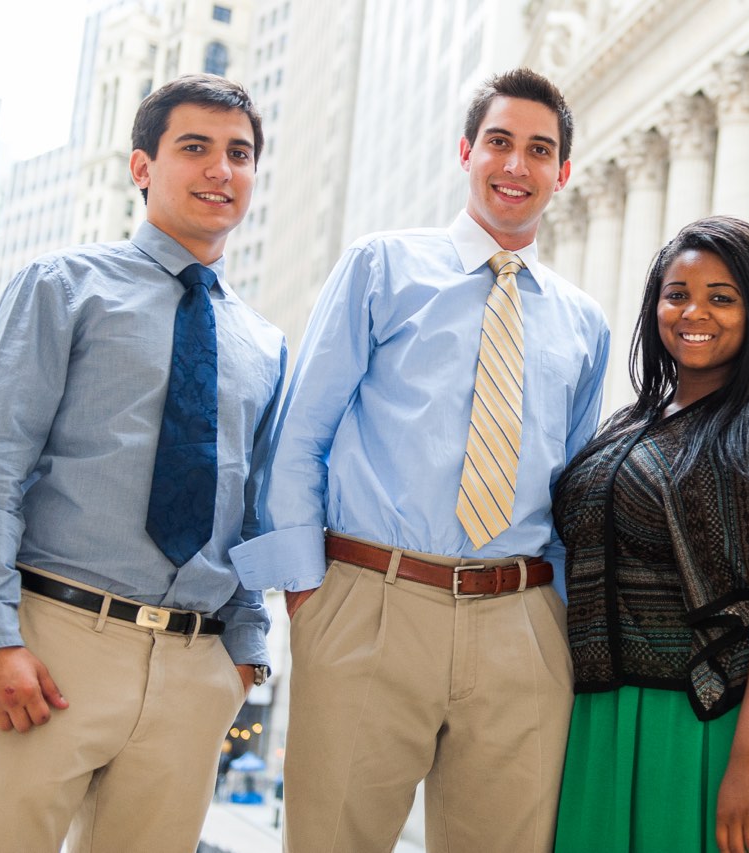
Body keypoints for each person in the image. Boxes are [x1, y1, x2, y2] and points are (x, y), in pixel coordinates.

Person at [232, 68, 610, 852]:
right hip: (373, 600)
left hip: (522, 621)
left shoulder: (584, 323)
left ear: (563, 174)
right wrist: (312, 596)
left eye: (539, 150)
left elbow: (575, 489)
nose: (516, 165)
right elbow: (300, 433)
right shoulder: (383, 268)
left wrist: (562, 622)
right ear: (466, 150)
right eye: (500, 142)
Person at [0, 73, 285, 852]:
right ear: (142, 167)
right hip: (53, 646)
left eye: (239, 153)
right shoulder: (62, 287)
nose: (219, 170)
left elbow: (254, 510)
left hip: (196, 667)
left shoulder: (267, 345)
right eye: (193, 148)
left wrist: (244, 658)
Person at [551, 216, 749, 853]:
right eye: (677, 294)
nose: (694, 312)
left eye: (722, 297)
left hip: (717, 723)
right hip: (606, 712)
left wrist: (748, 761)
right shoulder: (629, 424)